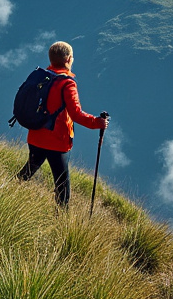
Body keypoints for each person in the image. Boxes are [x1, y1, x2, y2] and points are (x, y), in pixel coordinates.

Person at [16, 41, 109, 206]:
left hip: (35, 136)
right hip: (56, 143)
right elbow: (76, 114)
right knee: (62, 186)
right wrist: (98, 123)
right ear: (68, 59)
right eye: (72, 57)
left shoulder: (42, 77)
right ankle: (62, 222)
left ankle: (6, 193)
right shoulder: (67, 83)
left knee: (27, 172)